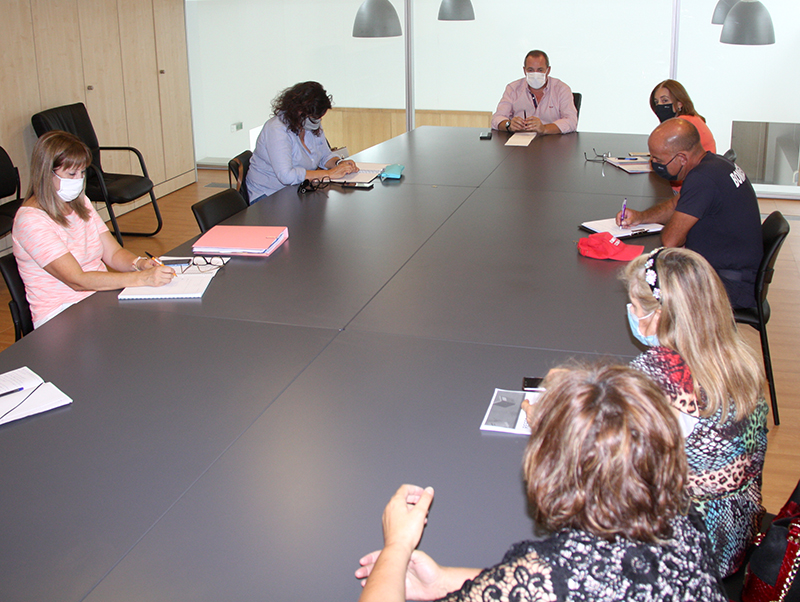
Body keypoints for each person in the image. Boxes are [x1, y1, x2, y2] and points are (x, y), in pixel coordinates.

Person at [355, 364, 729, 602]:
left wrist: (397, 545)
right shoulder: (682, 518)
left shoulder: (557, 572)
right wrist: (442, 582)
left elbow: (550, 583)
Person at [623, 247, 767, 577]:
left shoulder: (659, 379)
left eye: (634, 305)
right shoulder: (738, 359)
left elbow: (618, 467)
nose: (630, 311)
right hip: (737, 530)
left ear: (657, 318)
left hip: (689, 553)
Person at [12, 131, 175, 328]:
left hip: (98, 299)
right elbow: (77, 281)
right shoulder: (31, 221)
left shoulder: (79, 201)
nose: (79, 180)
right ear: (46, 173)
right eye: (71, 174)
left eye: (82, 173)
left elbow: (113, 253)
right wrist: (141, 279)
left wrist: (138, 264)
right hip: (63, 314)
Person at [615, 118, 762, 308]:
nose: (654, 164)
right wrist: (641, 217)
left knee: (643, 285)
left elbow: (671, 241)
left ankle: (674, 337)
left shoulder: (702, 179)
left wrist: (674, 229)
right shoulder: (716, 163)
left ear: (682, 158)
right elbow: (678, 203)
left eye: (659, 160)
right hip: (738, 272)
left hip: (728, 284)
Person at [245, 81, 358, 203]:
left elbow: (325, 156)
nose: (318, 121)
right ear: (298, 110)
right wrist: (329, 173)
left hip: (299, 190)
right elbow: (286, 176)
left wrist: (340, 164)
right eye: (314, 117)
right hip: (269, 194)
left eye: (319, 117)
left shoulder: (310, 125)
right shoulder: (277, 129)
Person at [491, 50, 578, 136]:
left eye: (540, 70)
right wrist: (508, 125)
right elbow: (497, 118)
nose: (535, 74)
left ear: (548, 70)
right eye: (531, 70)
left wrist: (544, 129)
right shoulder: (513, 88)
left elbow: (571, 121)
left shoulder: (561, 89)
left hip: (553, 143)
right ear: (524, 70)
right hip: (520, 144)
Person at [650, 80, 716, 154]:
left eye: (665, 100)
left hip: (698, 165)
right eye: (656, 102)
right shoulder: (693, 118)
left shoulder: (682, 124)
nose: (659, 105)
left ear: (679, 104)